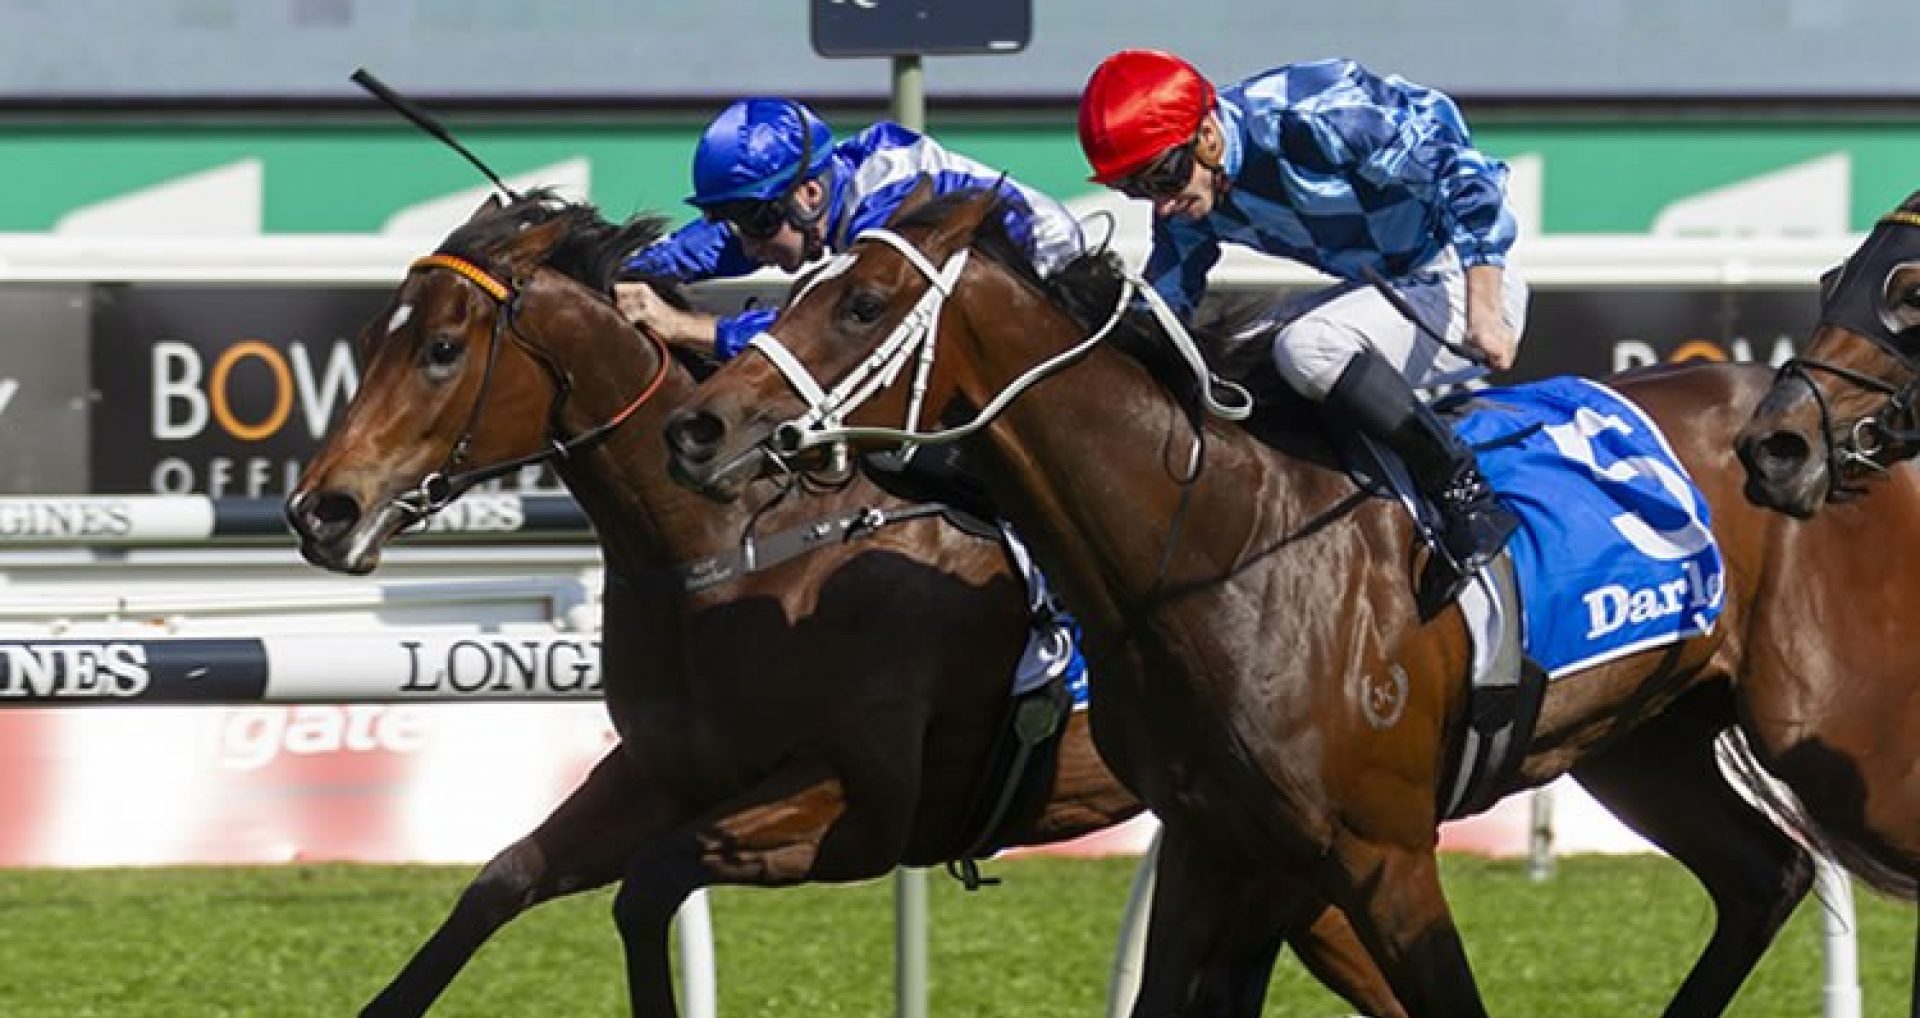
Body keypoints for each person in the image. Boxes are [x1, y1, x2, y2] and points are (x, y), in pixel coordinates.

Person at [1077, 49, 1527, 598]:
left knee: (1309, 346)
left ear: (1207, 135)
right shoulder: (1192, 197)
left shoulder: (1313, 118)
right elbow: (1165, 306)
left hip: (1463, 272)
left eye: (1161, 178)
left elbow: (1470, 175)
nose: (1161, 204)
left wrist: (1485, 309)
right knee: (1228, 358)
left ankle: (1462, 490)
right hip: (1385, 288)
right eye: (1133, 189)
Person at [616, 97, 1086, 361]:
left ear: (809, 196)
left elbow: (828, 331)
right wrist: (617, 267)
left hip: (1055, 311)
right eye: (736, 221)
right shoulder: (829, 188)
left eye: (755, 222)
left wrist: (680, 325)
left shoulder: (887, 206)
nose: (749, 244)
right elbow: (712, 244)